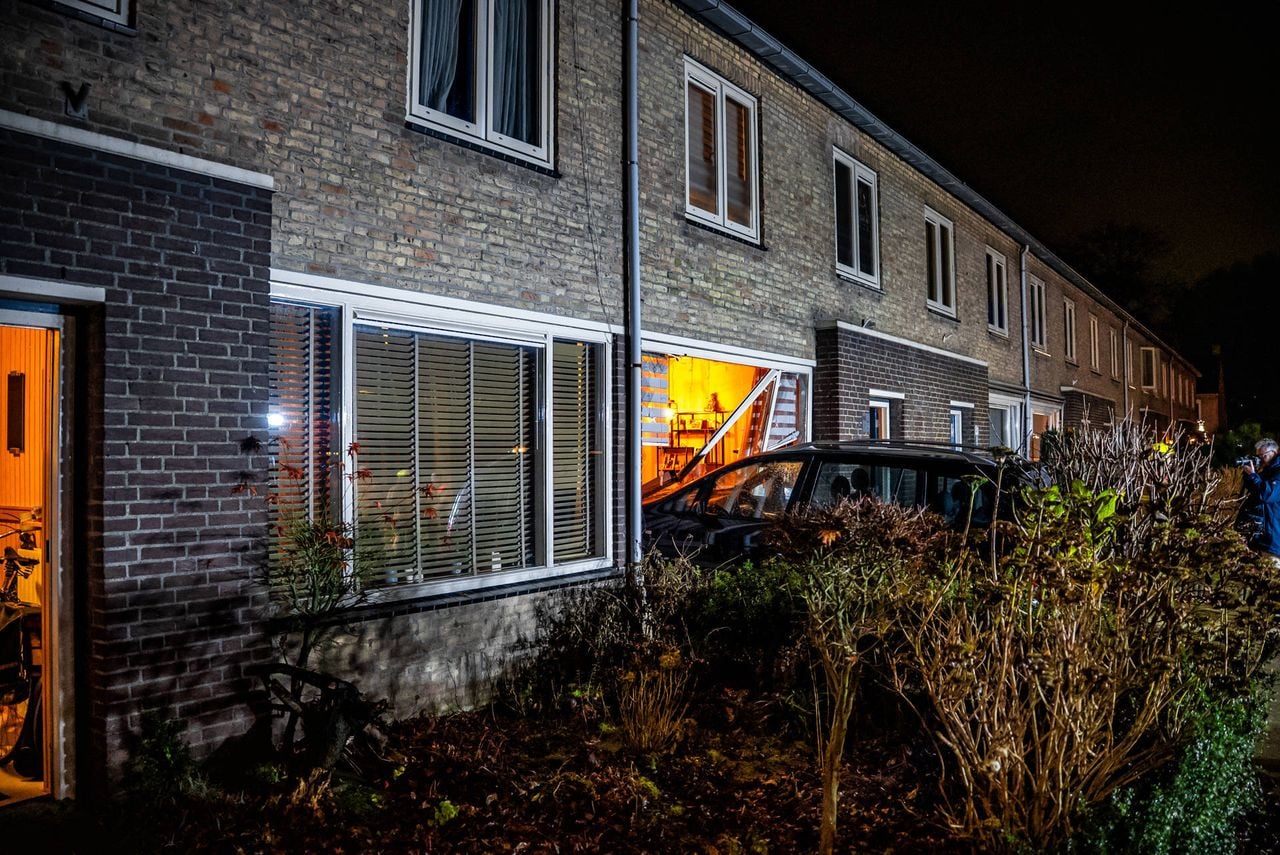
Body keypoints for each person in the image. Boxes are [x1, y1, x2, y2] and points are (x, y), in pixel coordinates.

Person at [1242, 438, 1280, 566]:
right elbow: (1256, 491)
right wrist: (1249, 476)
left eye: (1262, 456)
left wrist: (1254, 476)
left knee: (1272, 578)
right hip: (1261, 536)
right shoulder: (1268, 471)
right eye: (1257, 456)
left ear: (1274, 452)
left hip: (1273, 538)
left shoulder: (1278, 472)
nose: (1260, 459)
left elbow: (1267, 494)